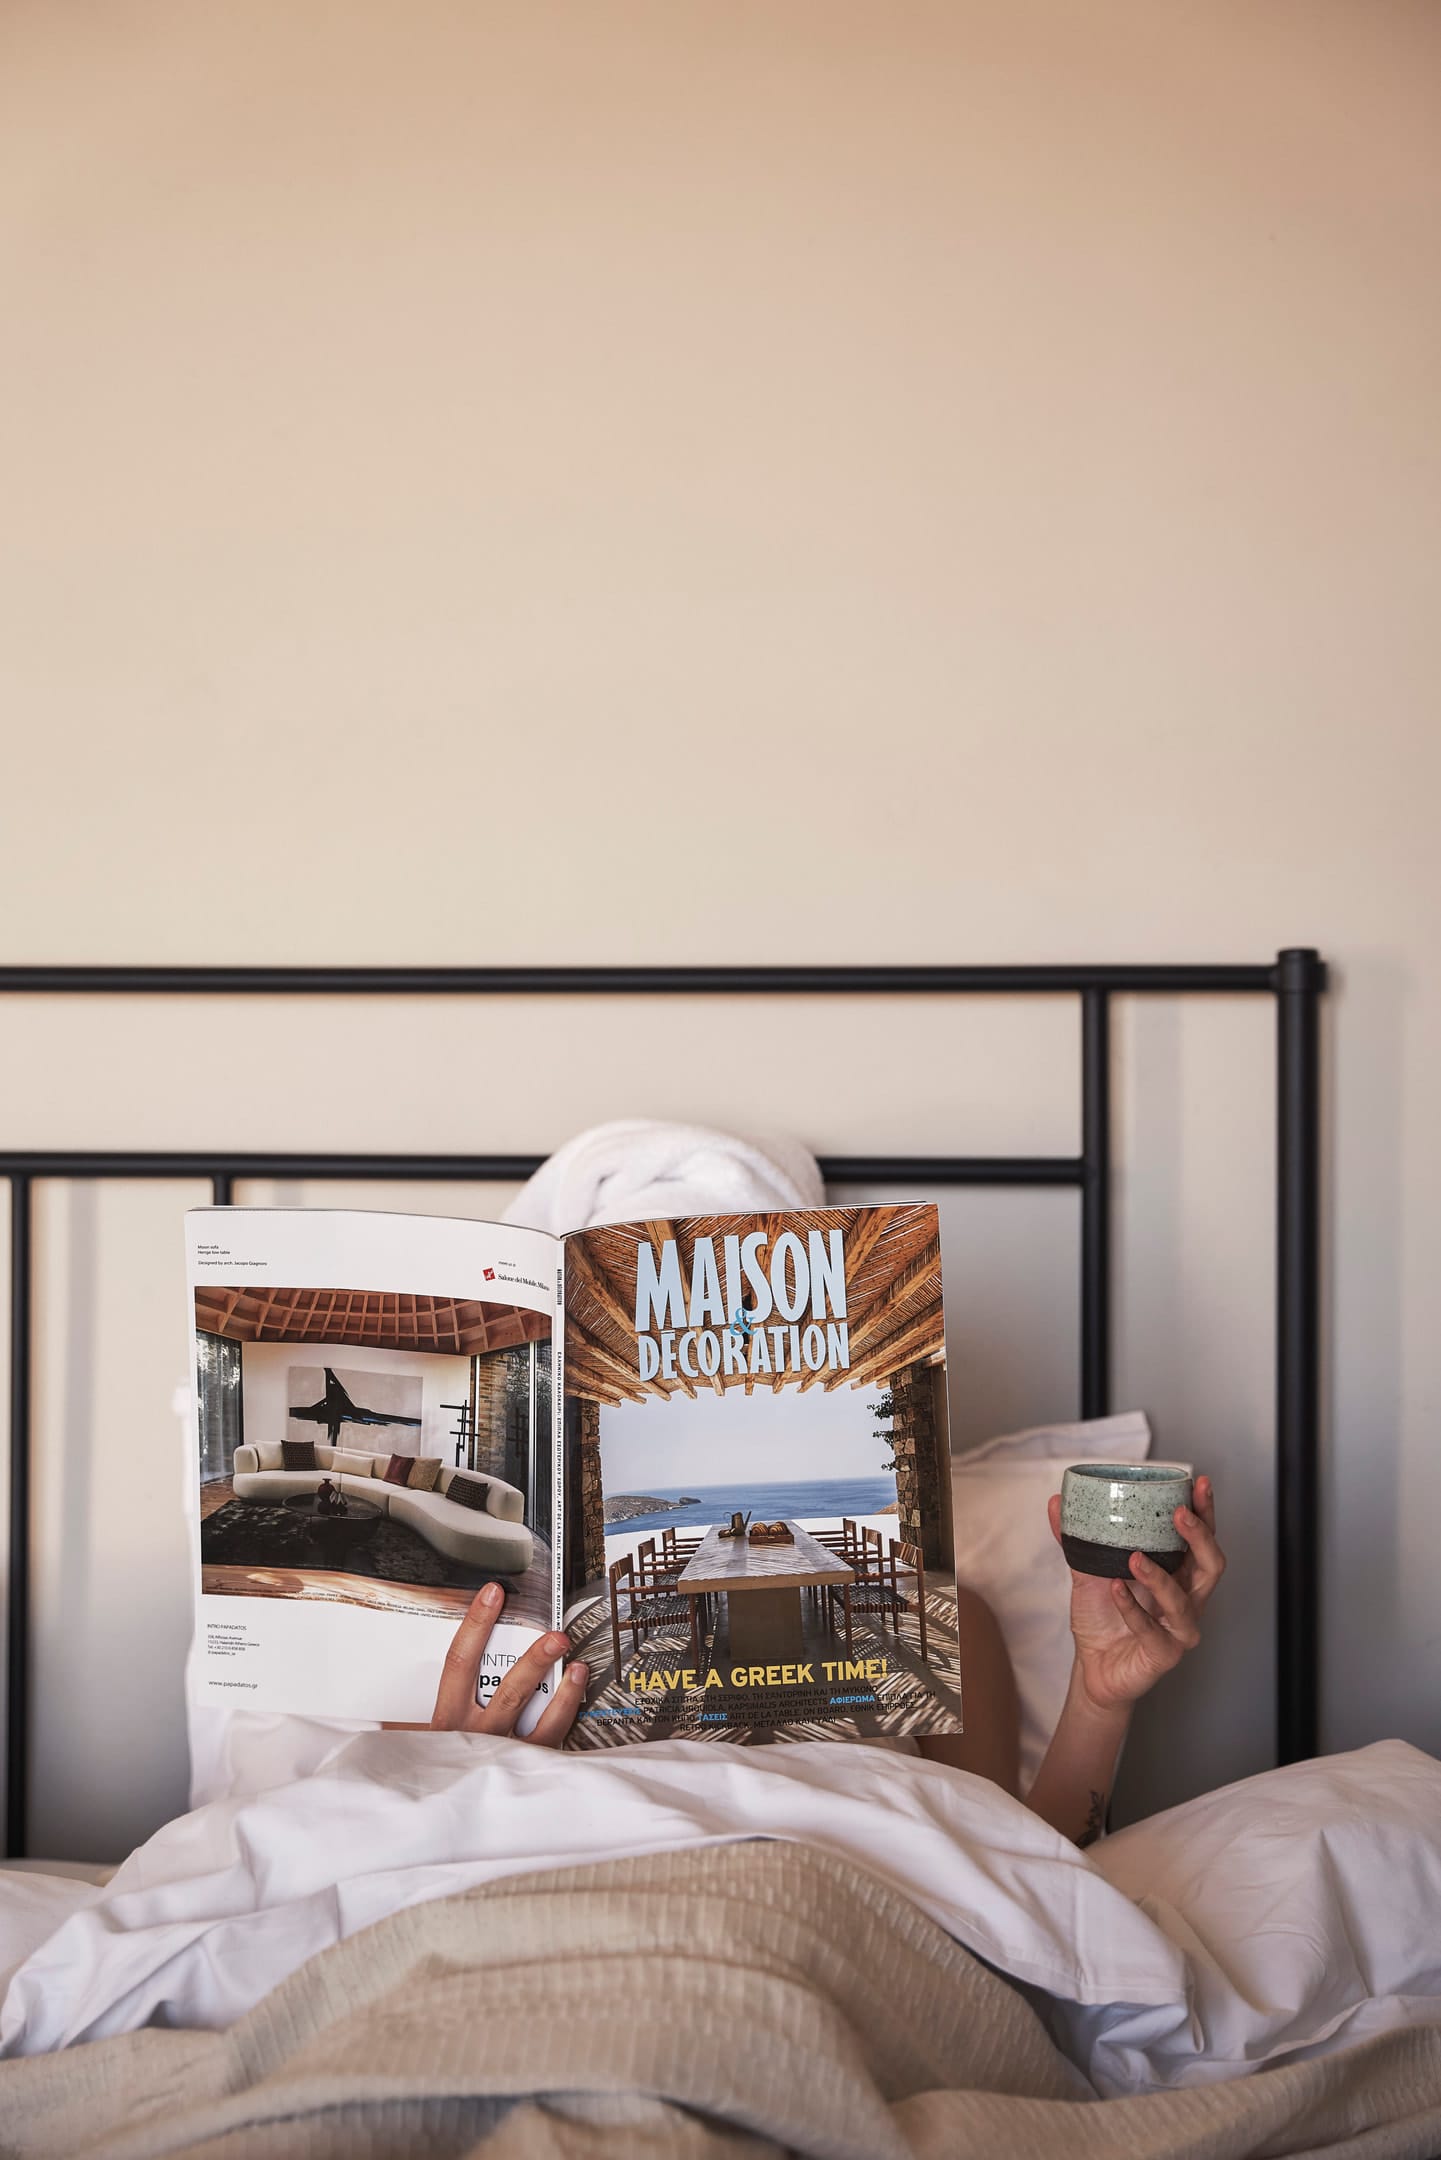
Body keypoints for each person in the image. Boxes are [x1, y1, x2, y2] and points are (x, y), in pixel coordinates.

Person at [417, 1478, 1225, 1847]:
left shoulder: (936, 1619)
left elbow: (1022, 1865)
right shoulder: (488, 1640)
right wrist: (462, 1773)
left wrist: (1098, 1698)